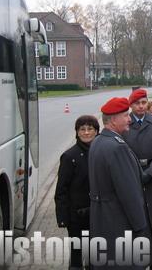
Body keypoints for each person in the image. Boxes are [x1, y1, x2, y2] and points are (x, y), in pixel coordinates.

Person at [89, 97, 152, 269]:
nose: (129, 119)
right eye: (125, 115)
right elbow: (129, 192)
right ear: (113, 119)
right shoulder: (117, 147)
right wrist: (140, 227)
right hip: (119, 222)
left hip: (103, 220)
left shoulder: (99, 142)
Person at [122, 88, 152, 268]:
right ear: (131, 105)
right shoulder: (124, 124)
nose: (141, 106)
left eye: (143, 103)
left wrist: (151, 173)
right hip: (132, 176)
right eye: (137, 103)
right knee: (135, 218)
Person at [55, 115, 99, 269]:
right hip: (76, 216)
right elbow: (61, 190)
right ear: (77, 132)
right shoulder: (69, 156)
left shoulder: (101, 152)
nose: (86, 133)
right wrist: (62, 217)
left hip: (97, 213)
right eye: (82, 129)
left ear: (96, 131)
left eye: (90, 129)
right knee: (77, 253)